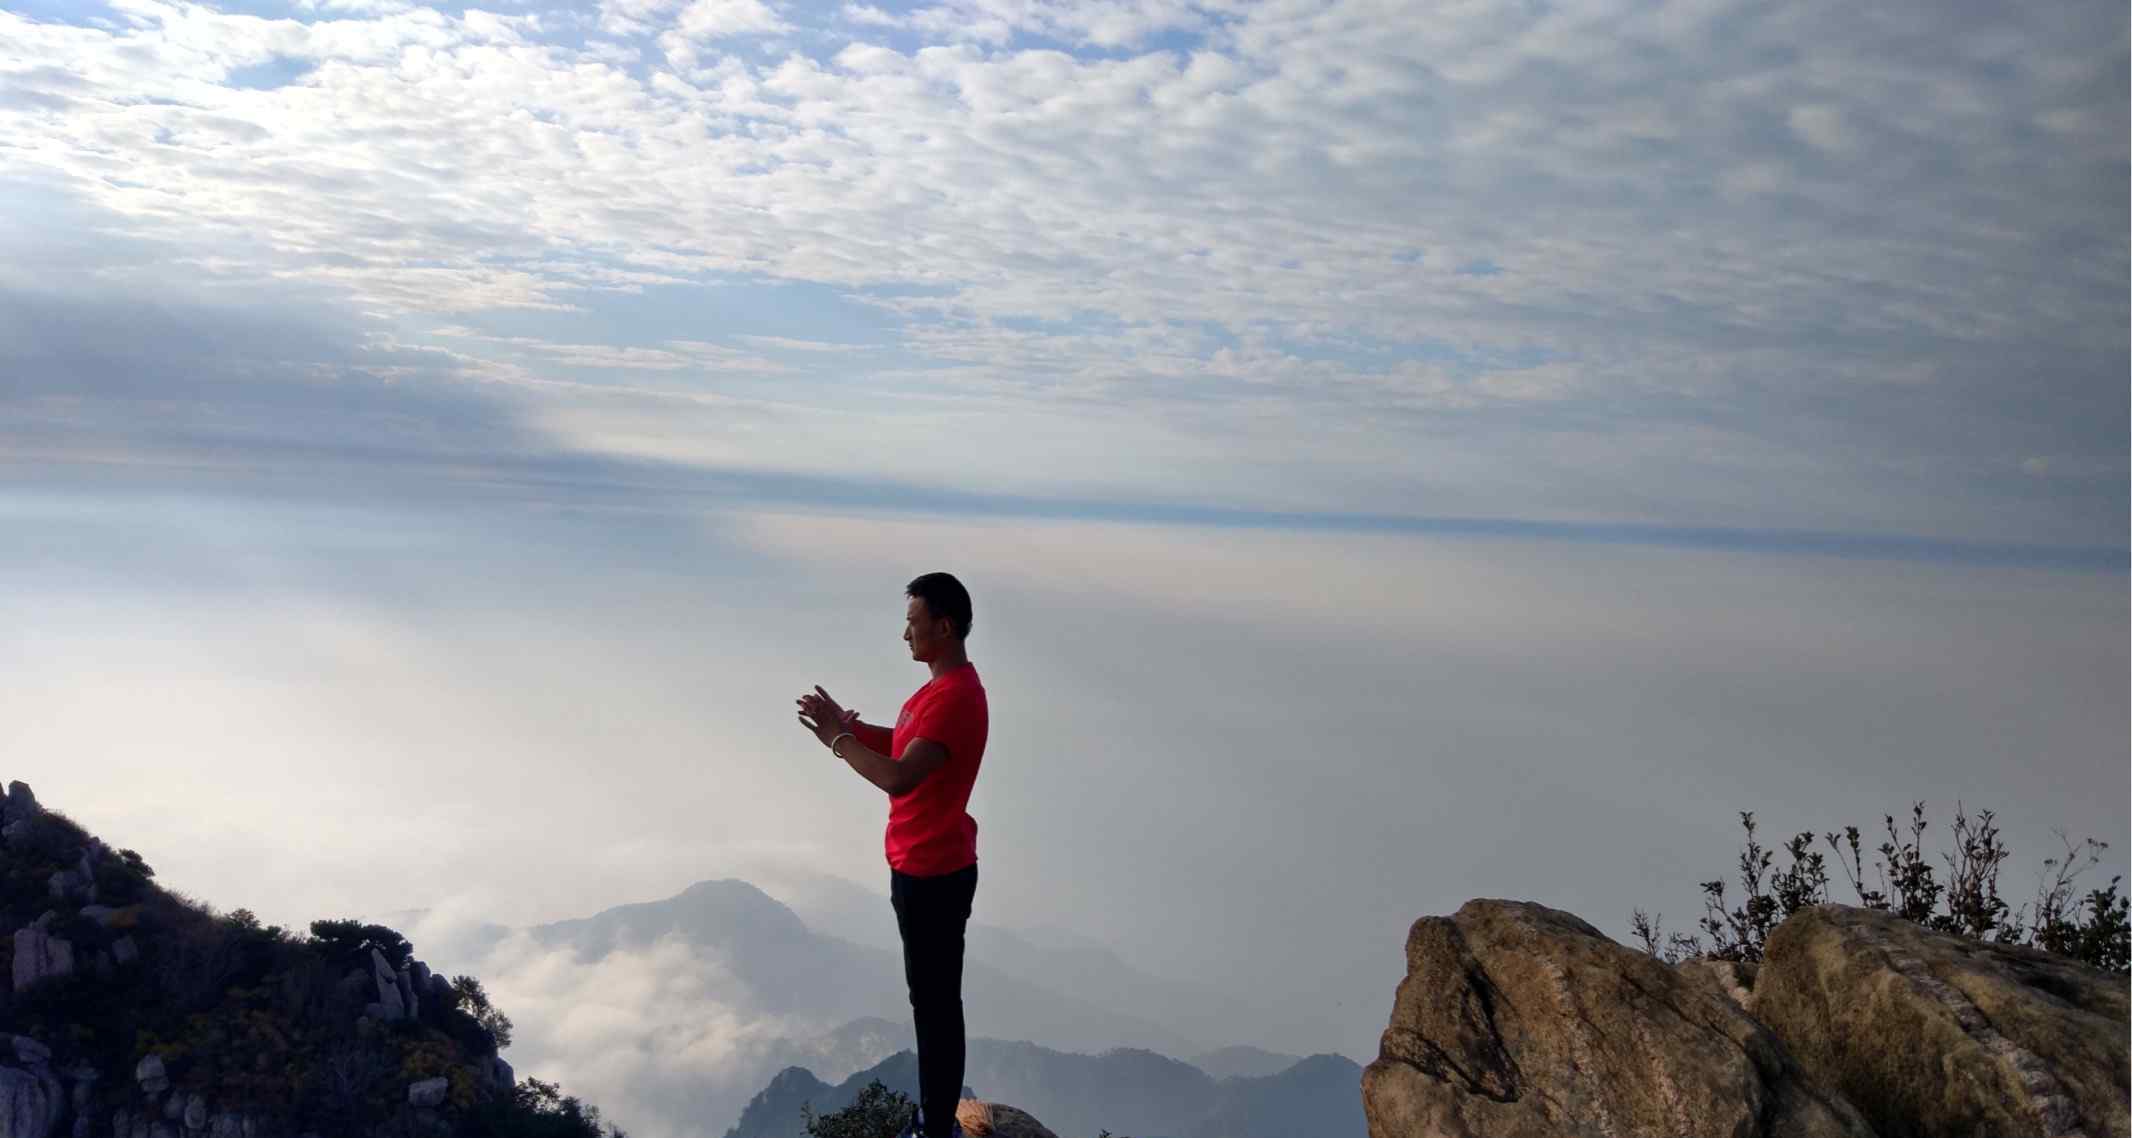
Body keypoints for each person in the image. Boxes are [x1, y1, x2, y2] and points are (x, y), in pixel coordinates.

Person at [797, 571, 987, 1138]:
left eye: (913, 622)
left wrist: (839, 740)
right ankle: (935, 1118)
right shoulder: (935, 692)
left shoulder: (954, 697)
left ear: (944, 626)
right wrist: (850, 728)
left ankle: (936, 1129)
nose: (905, 634)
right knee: (929, 1000)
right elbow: (906, 745)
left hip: (934, 873)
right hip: (920, 867)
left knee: (934, 1007)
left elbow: (901, 777)